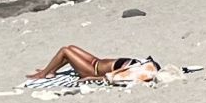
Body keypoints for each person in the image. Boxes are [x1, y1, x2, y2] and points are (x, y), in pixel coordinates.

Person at [26, 44, 164, 83]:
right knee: (71, 47)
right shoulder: (142, 63)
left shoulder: (136, 73)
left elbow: (113, 77)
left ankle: (43, 74)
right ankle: (51, 70)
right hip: (96, 61)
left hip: (93, 70)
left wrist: (92, 78)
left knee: (65, 51)